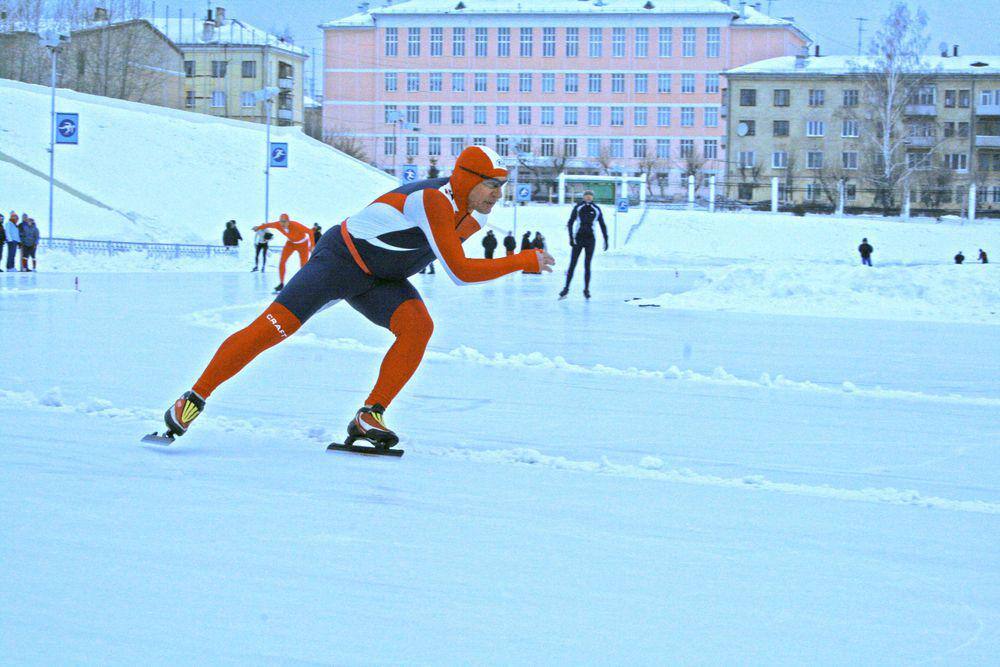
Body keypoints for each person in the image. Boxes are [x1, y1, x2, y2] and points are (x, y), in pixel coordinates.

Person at [155, 145, 554, 449]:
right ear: (467, 178)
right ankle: (192, 399)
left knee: (418, 328)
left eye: (502, 186)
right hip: (340, 262)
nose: (497, 194)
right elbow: (460, 272)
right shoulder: (431, 200)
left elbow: (429, 255)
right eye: (490, 184)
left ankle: (369, 415)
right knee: (272, 330)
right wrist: (521, 261)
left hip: (383, 277)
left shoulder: (477, 216)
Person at [559, 190, 608, 300]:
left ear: (593, 197)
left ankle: (586, 289)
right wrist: (571, 238)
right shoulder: (578, 207)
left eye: (590, 196)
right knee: (572, 264)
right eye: (586, 195)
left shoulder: (596, 209)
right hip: (579, 238)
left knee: (587, 265)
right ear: (583, 197)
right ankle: (566, 288)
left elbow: (602, 224)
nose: (588, 197)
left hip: (590, 240)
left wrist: (606, 239)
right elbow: (570, 222)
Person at [253, 213, 313, 291]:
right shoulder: (278, 225)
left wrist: (312, 246)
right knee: (282, 262)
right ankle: (281, 284)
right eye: (281, 221)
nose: (282, 224)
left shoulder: (296, 225)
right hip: (290, 244)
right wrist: (258, 228)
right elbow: (267, 225)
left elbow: (310, 232)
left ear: (288, 221)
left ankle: (305, 284)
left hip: (303, 244)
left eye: (284, 221)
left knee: (303, 265)